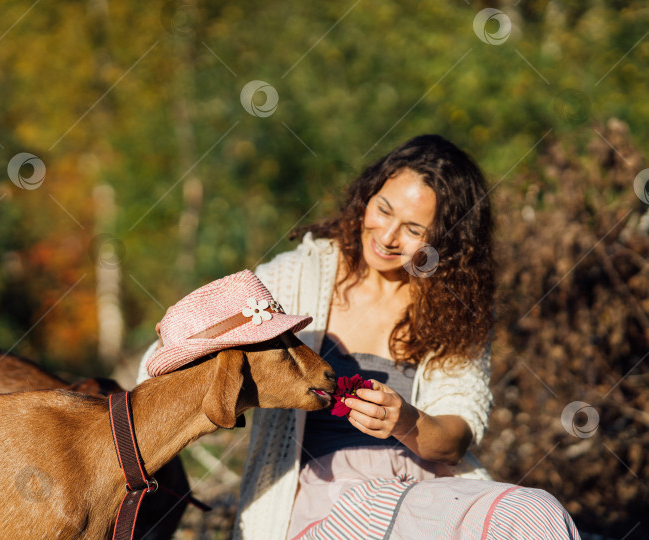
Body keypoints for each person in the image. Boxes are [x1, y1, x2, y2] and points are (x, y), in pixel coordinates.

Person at [137, 135, 575, 539]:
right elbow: (167, 362)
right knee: (374, 515)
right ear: (367, 197)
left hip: (427, 491)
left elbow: (457, 436)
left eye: (414, 229)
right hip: (320, 495)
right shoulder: (300, 274)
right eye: (383, 210)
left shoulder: (455, 307)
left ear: (444, 238)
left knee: (534, 513)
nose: (387, 237)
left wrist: (405, 421)